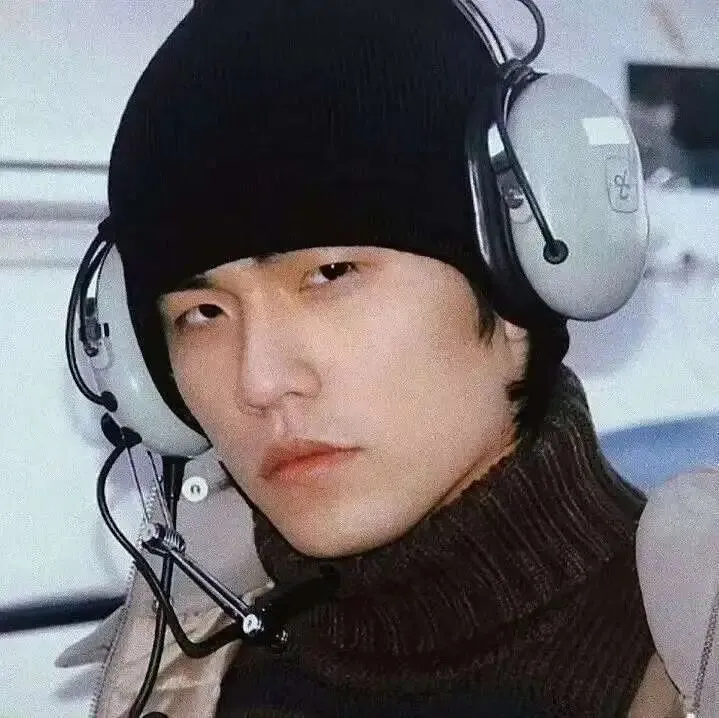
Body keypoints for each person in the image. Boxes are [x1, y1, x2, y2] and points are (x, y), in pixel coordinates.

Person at [57, 0, 684, 715]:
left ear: (517, 287)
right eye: (202, 314)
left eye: (330, 274)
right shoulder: (177, 679)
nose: (261, 382)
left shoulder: (689, 668)